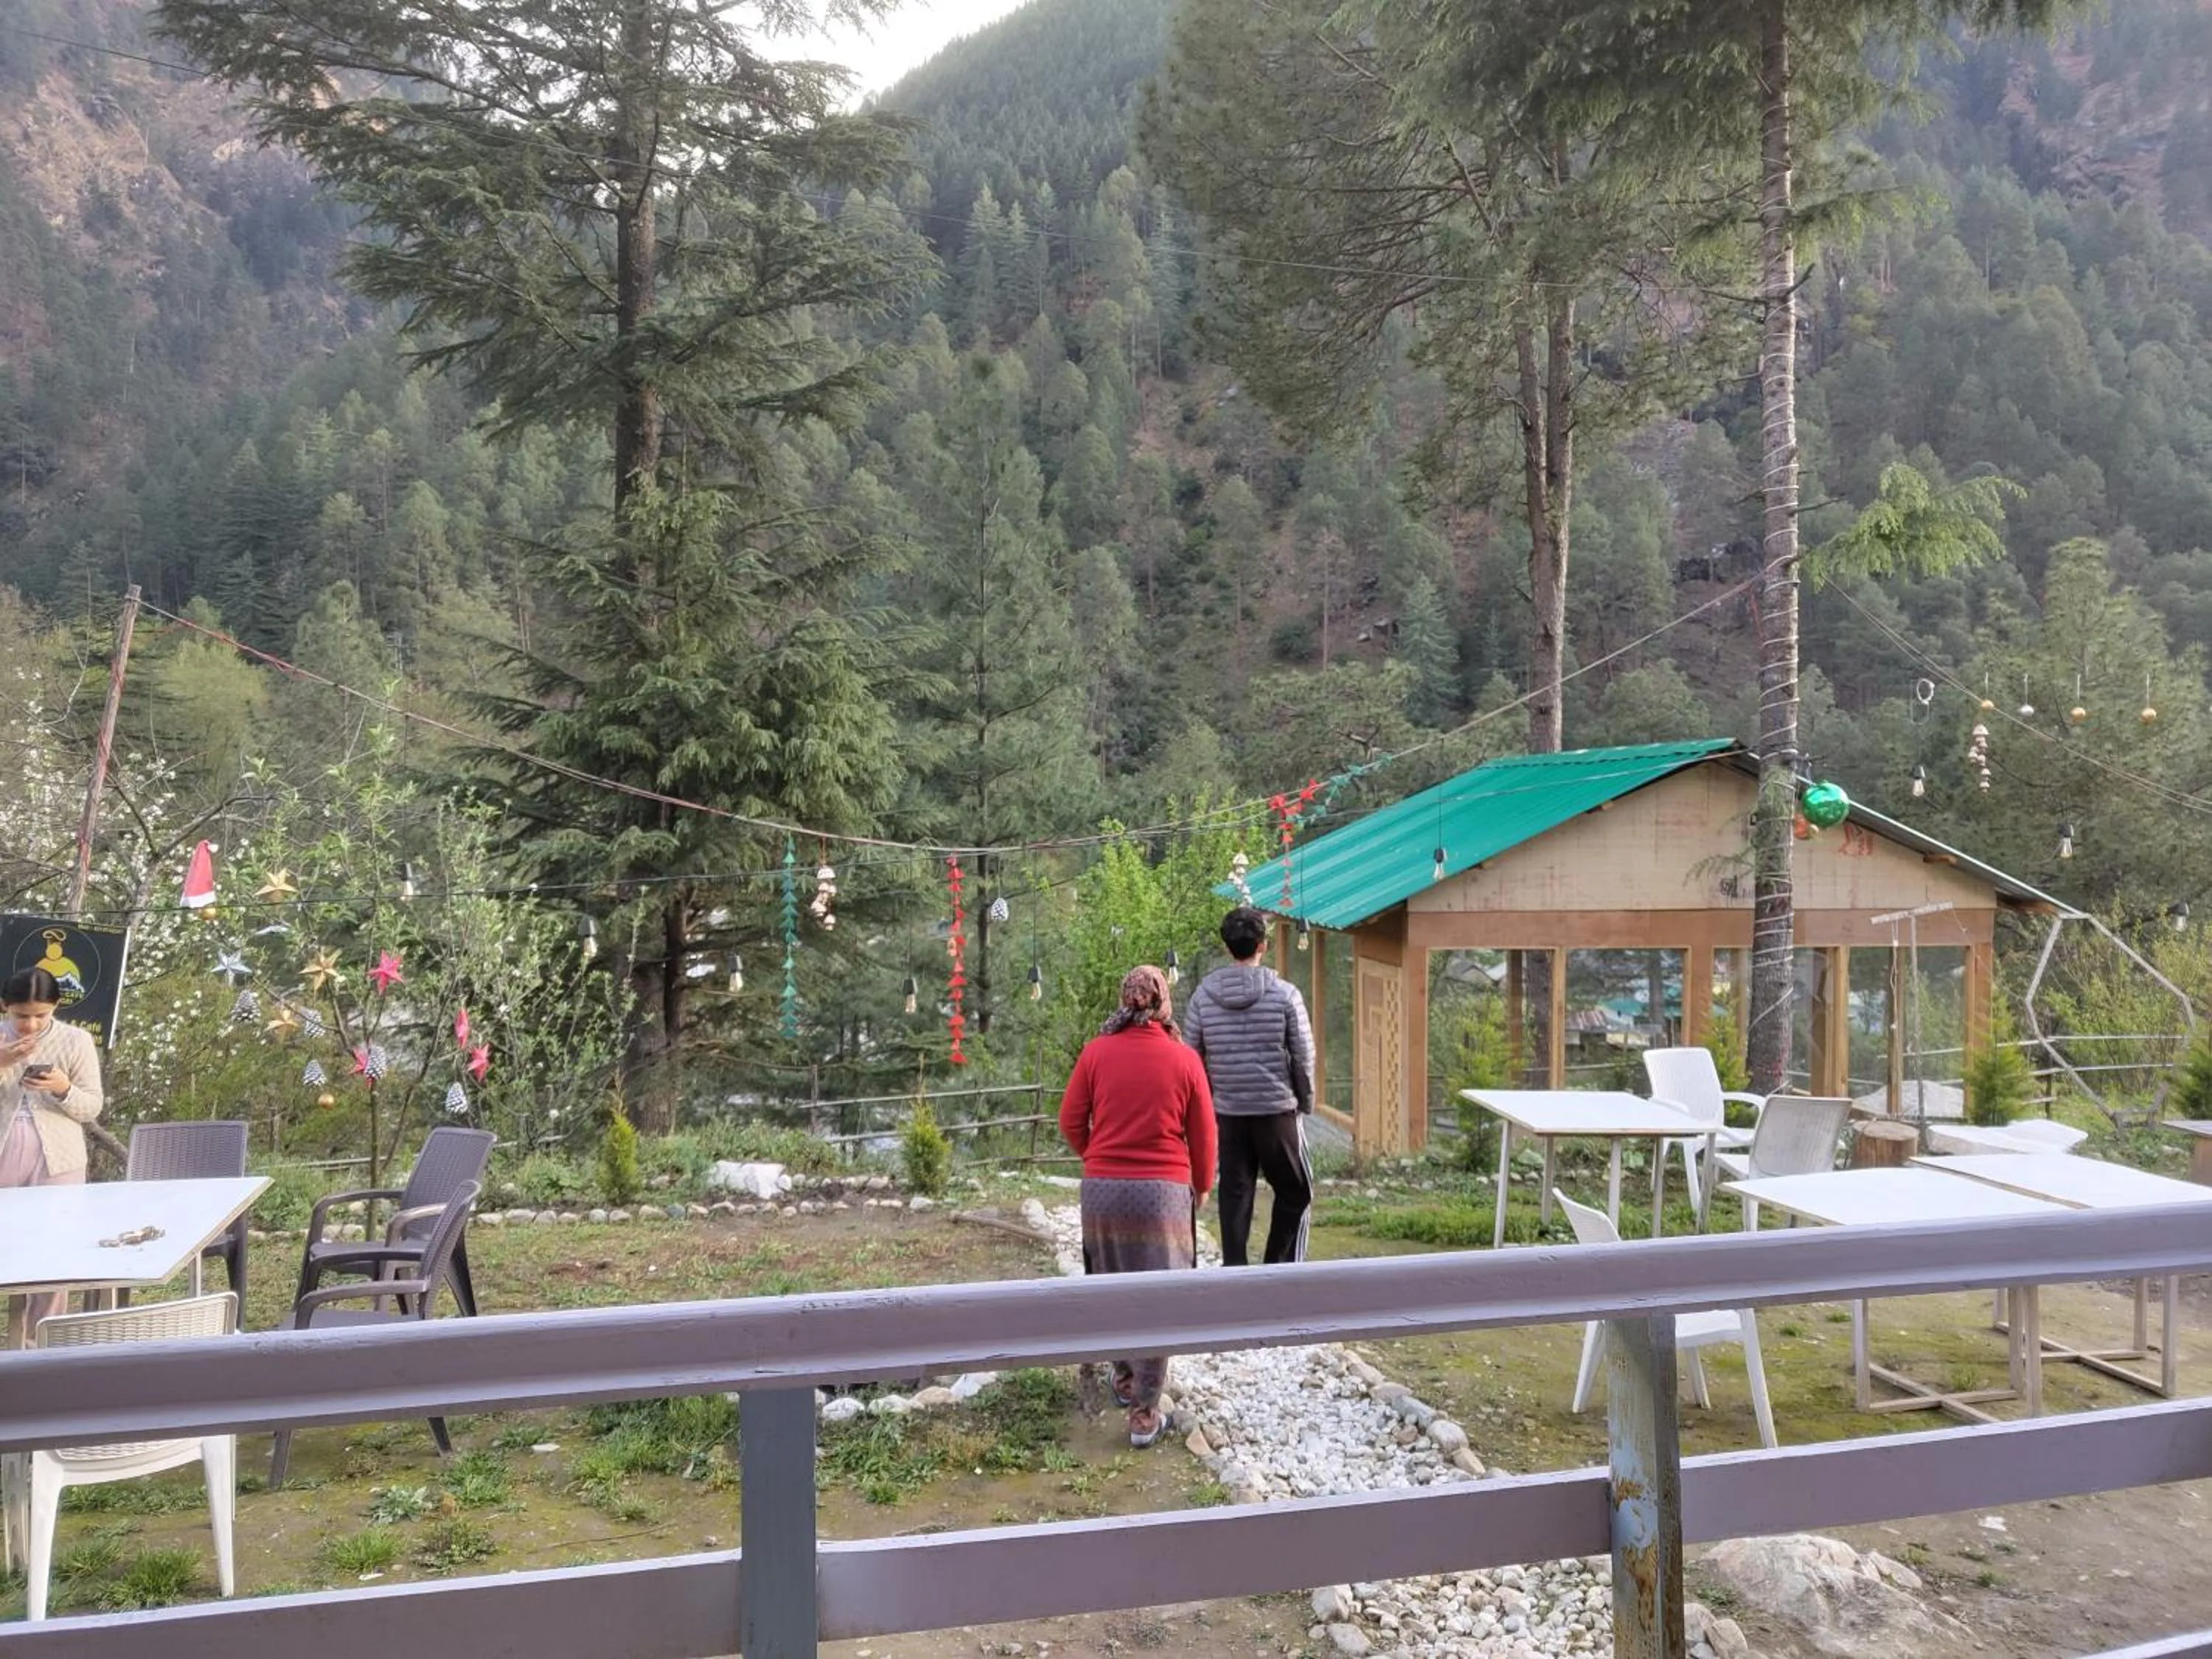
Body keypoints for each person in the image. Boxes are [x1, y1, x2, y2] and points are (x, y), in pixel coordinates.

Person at [1059, 964, 1217, 1449]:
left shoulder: (1096, 1052)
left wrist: (1100, 1158)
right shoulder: (1183, 1059)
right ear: (1163, 1001)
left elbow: (1070, 1121)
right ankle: (1145, 1413)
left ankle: (1124, 1378)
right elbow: (1204, 1134)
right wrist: (1201, 1184)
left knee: (1111, 1283)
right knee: (1160, 1299)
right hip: (1163, 1194)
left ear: (1123, 1001)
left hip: (1104, 1191)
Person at [1183, 905, 1315, 1267]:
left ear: (1227, 947)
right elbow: (1303, 1056)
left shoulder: (1202, 997)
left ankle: (1236, 1278)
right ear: (1264, 946)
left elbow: (1190, 1061)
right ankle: (1277, 1269)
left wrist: (1205, 1108)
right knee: (1296, 1191)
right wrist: (1305, 1102)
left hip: (1227, 1114)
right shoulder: (1286, 994)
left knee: (1235, 1198)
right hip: (1276, 1112)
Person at [0, 967, 106, 1336]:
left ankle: (38, 1343)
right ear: (5, 1007)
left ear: (56, 1007)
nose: (30, 1025)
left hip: (58, 1159)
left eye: (41, 1016)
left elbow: (92, 1107)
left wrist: (63, 1088)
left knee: (51, 1255)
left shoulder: (76, 1041)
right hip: (5, 1153)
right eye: (21, 1016)